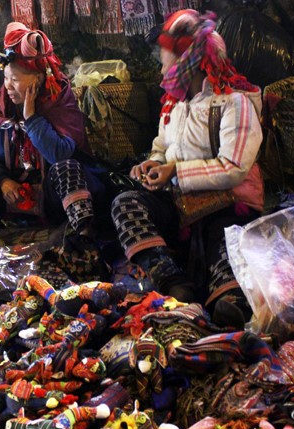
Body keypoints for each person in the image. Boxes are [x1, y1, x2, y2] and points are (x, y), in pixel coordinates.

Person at [111, 10, 264, 327]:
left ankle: (227, 297)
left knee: (223, 238)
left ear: (190, 62)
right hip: (181, 203)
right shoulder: (173, 104)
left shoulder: (234, 103)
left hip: (227, 204)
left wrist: (175, 172)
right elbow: (162, 147)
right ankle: (172, 280)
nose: (162, 66)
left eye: (166, 58)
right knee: (125, 204)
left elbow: (234, 168)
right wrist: (153, 164)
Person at [0, 22, 102, 238]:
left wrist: (31, 118)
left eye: (15, 80)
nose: (7, 86)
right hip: (11, 197)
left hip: (51, 199)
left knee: (67, 168)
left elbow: (59, 154)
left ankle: (83, 237)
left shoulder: (59, 101)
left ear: (38, 79)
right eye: (5, 78)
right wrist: (2, 181)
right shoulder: (1, 102)